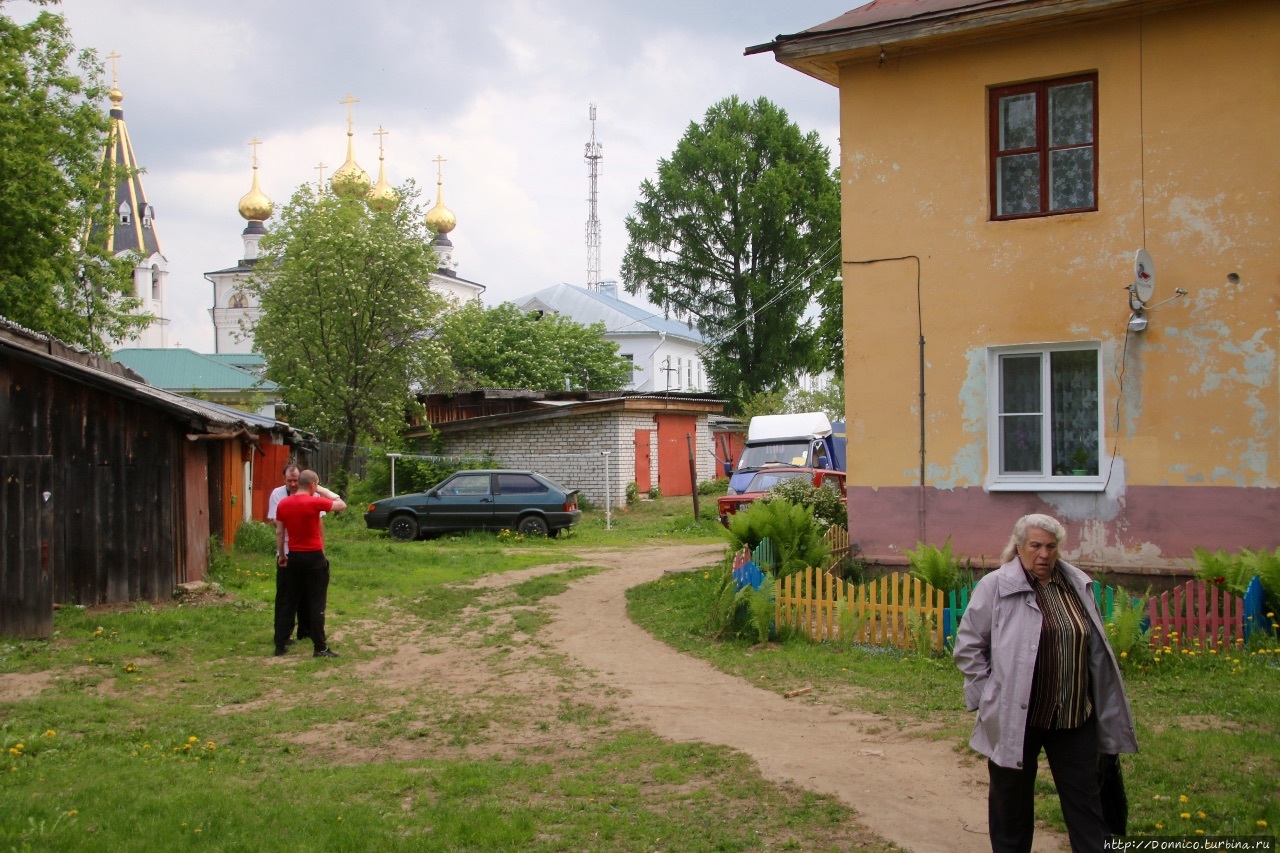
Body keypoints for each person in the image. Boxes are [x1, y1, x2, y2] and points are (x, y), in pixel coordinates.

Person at [953, 513, 1137, 853]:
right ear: (1019, 547)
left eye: (1051, 546)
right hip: (1016, 719)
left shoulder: (1076, 585)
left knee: (1086, 801)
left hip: (1073, 716)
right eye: (1035, 546)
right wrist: (987, 698)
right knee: (1012, 804)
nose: (1044, 554)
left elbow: (1093, 645)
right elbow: (968, 647)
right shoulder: (996, 587)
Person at [273, 470, 345, 658]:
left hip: (293, 556)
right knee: (316, 602)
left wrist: (282, 555)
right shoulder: (315, 502)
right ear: (312, 485)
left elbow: (280, 533)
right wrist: (321, 489)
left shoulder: (283, 503)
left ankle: (280, 644)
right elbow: (341, 504)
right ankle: (320, 647)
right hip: (314, 557)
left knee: (289, 601)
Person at [268, 463, 309, 644]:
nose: (293, 484)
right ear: (283, 479)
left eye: (296, 480)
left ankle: (306, 630)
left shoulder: (310, 491)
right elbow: (275, 521)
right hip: (285, 550)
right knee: (285, 594)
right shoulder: (277, 494)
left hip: (307, 550)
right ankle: (282, 633)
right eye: (289, 480)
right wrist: (293, 524)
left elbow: (318, 520)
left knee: (306, 593)